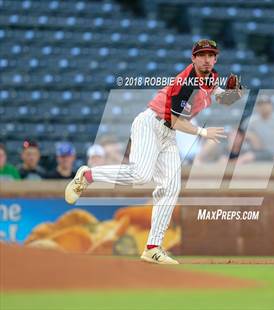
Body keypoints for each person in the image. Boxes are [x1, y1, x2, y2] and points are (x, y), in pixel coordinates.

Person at [65, 39, 239, 264]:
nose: (206, 59)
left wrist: (236, 94)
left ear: (216, 58)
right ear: (193, 58)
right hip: (151, 124)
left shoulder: (212, 77)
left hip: (168, 135)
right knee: (140, 175)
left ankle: (152, 248)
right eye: (202, 54)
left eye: (211, 55)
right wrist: (204, 134)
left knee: (171, 188)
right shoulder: (187, 82)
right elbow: (175, 121)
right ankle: (88, 175)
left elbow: (222, 98)